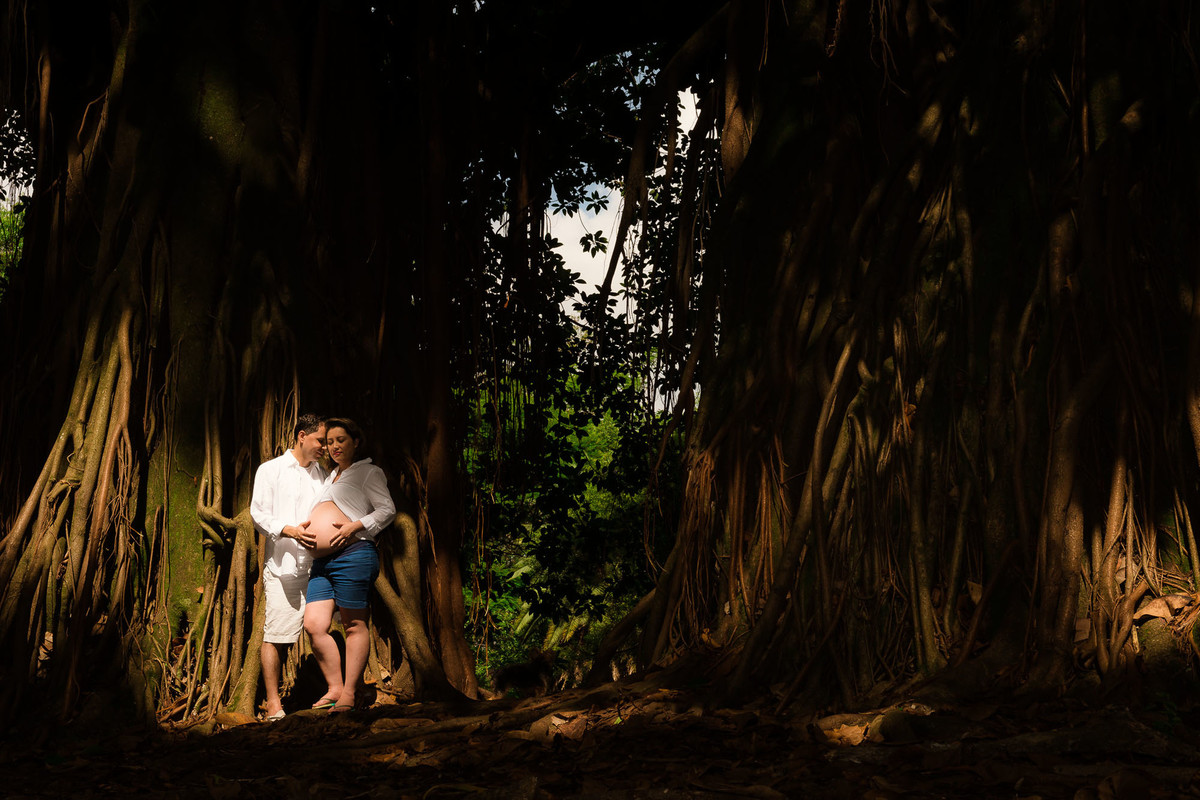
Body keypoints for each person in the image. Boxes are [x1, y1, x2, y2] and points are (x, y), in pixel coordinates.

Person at [303, 417, 395, 713]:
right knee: (314, 625)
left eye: (340, 440)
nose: (334, 447)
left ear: (356, 441)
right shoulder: (330, 478)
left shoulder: (368, 472)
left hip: (353, 554)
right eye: (329, 442)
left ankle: (350, 694)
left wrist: (355, 526)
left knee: (355, 625)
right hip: (322, 563)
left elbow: (387, 510)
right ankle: (335, 688)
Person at [249, 413, 327, 721]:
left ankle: (334, 692)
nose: (325, 446)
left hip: (320, 566)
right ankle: (273, 703)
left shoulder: (323, 475)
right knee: (277, 634)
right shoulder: (271, 470)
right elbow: (257, 513)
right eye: (320, 440)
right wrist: (288, 529)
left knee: (322, 629)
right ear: (301, 436)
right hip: (285, 567)